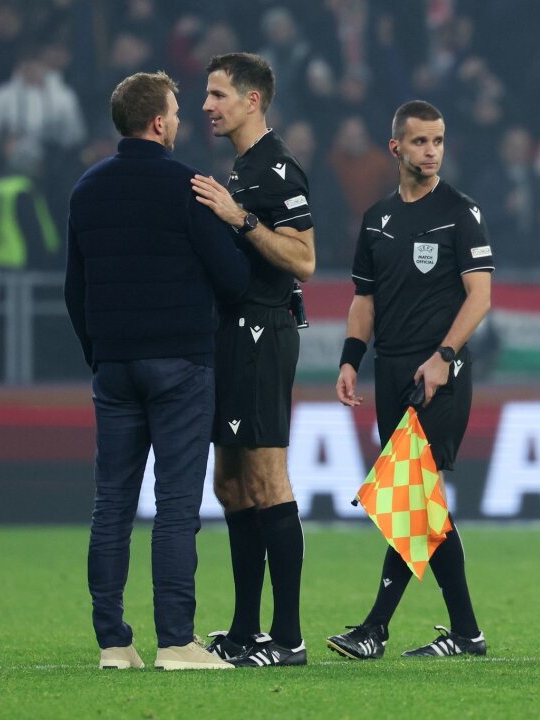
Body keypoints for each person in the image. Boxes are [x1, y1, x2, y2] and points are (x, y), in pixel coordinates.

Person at [64, 70, 249, 672]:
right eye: (176, 110)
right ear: (159, 122)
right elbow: (233, 278)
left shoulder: (87, 190)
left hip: (114, 368)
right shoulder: (187, 185)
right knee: (174, 506)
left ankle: (114, 643)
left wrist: (103, 352)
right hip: (180, 366)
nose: (181, 119)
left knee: (111, 504)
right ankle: (176, 641)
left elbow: (74, 290)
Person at [326, 100, 493, 660]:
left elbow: (481, 296)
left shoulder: (460, 212)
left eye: (439, 141)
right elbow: (364, 299)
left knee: (409, 495)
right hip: (391, 371)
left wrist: (445, 355)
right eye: (420, 142)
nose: (431, 151)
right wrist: (351, 359)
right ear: (395, 147)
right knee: (420, 504)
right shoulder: (377, 219)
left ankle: (375, 628)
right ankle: (466, 633)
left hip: (440, 372)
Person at [190, 52, 315, 668]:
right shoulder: (241, 169)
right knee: (231, 483)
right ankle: (244, 632)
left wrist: (236, 219)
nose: (207, 105)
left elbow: (304, 260)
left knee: (267, 479)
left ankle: (287, 638)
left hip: (264, 332)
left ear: (252, 100)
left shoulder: (279, 170)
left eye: (217, 94)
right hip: (232, 334)